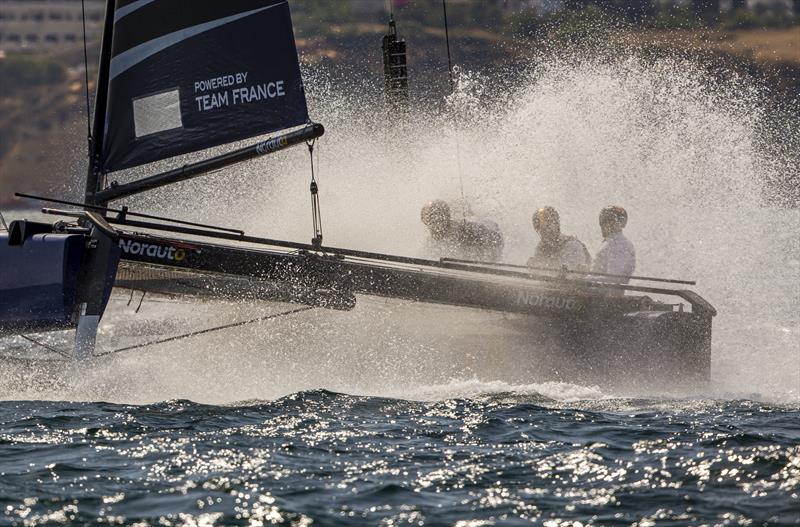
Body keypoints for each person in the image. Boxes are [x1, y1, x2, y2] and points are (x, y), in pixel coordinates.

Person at [420, 200, 504, 262]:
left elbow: (496, 238)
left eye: (439, 217)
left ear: (447, 217)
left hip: (491, 231)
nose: (436, 223)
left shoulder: (466, 228)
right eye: (431, 219)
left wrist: (490, 260)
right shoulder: (430, 242)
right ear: (424, 221)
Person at [527, 206, 591, 275]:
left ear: (557, 225)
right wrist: (534, 268)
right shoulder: (541, 247)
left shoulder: (572, 245)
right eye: (541, 229)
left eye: (548, 226)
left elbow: (572, 278)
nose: (545, 232)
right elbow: (540, 277)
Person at [591, 205, 636, 284]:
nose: (603, 225)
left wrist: (583, 279)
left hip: (606, 294)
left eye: (607, 220)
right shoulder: (610, 243)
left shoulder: (619, 245)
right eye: (601, 220)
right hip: (598, 291)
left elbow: (613, 278)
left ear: (621, 223)